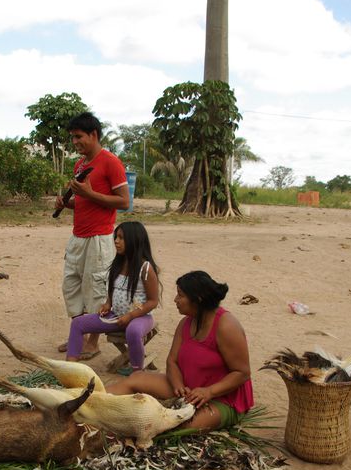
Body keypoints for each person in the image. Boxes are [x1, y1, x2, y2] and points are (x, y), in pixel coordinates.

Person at [107, 270, 254, 431]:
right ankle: (92, 401)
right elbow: (172, 361)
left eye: (180, 295)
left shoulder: (226, 326)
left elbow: (242, 372)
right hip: (187, 388)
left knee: (177, 425)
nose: (176, 300)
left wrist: (209, 392)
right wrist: (178, 385)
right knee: (135, 379)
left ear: (198, 300)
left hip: (222, 398)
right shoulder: (185, 323)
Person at [55, 113, 130, 358]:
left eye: (78, 137)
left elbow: (124, 202)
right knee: (72, 285)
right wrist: (68, 204)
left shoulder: (111, 162)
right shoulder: (81, 165)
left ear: (93, 135)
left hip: (99, 239)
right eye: (72, 138)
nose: (75, 142)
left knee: (96, 288)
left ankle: (93, 343)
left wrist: (88, 194)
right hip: (78, 236)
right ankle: (80, 335)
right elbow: (84, 202)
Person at [66, 222, 160, 374]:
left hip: (140, 317)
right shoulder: (117, 264)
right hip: (115, 316)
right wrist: (107, 304)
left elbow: (153, 301)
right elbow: (112, 290)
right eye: (116, 237)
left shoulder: (145, 268)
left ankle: (137, 373)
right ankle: (70, 369)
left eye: (121, 238)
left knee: (134, 332)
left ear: (134, 240)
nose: (116, 241)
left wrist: (130, 316)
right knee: (78, 323)